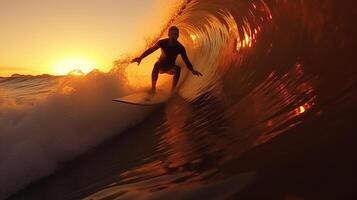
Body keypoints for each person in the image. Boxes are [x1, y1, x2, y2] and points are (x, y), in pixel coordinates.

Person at [132, 26, 202, 93]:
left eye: (175, 34)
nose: (173, 36)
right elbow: (151, 50)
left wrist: (192, 70)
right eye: (172, 34)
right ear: (168, 35)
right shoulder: (162, 43)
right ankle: (153, 89)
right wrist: (140, 58)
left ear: (178, 36)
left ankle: (172, 92)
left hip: (170, 68)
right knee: (157, 64)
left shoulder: (180, 48)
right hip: (161, 66)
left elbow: (186, 60)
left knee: (178, 69)